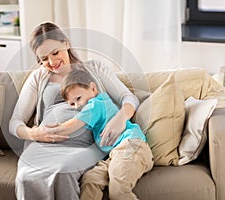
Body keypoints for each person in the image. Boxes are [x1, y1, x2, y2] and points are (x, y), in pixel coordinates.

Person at [9, 22, 140, 200]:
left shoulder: (95, 69)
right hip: (44, 145)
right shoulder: (38, 77)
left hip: (86, 145)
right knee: (25, 176)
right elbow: (14, 122)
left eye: (55, 53)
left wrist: (121, 118)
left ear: (66, 44)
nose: (52, 62)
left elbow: (129, 97)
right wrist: (35, 133)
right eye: (44, 59)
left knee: (64, 172)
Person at [49, 69, 154, 200]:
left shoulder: (95, 105)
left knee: (118, 189)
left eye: (79, 98)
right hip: (114, 154)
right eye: (72, 104)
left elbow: (73, 125)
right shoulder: (99, 102)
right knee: (91, 179)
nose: (77, 106)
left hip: (131, 147)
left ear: (93, 88)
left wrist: (49, 131)